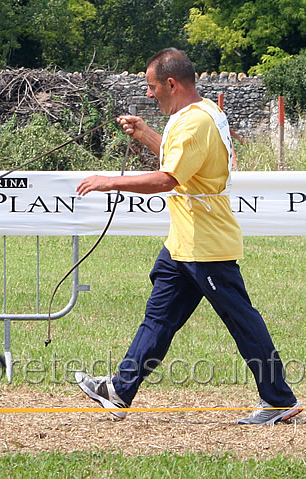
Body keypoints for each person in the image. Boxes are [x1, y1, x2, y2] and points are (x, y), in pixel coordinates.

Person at [74, 48, 301, 425]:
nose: (148, 95)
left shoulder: (192, 123)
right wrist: (145, 132)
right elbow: (181, 159)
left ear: (171, 83)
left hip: (204, 242)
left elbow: (168, 178)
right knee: (159, 318)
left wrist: (107, 181)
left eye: (151, 87)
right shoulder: (203, 112)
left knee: (241, 320)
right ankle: (119, 390)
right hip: (185, 240)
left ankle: (279, 400)